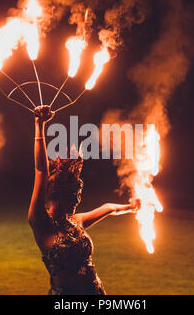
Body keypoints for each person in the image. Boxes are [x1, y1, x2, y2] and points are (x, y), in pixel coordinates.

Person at [28, 105, 139, 295]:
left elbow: (108, 208)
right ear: (57, 194)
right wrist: (39, 124)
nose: (77, 201)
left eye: (78, 195)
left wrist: (131, 206)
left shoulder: (76, 222)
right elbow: (41, 171)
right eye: (73, 196)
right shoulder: (41, 223)